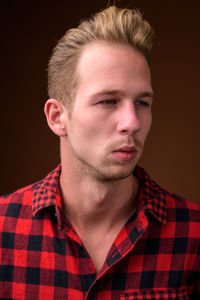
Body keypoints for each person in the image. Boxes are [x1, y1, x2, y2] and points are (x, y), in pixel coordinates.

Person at [0, 5, 199, 299]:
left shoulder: (193, 235)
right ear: (57, 117)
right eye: (108, 101)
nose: (132, 123)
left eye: (142, 103)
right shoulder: (4, 229)